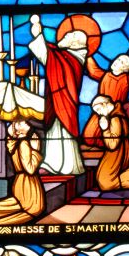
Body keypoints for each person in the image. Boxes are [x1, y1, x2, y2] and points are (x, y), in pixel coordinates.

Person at [29, 14, 89, 174]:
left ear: (75, 43)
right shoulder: (64, 56)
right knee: (55, 131)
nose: (63, 36)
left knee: (63, 132)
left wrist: (38, 35)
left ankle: (67, 166)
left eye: (68, 35)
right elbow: (49, 55)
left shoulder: (71, 59)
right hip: (57, 99)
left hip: (64, 101)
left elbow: (48, 57)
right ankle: (52, 163)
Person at [0, 119, 45, 226]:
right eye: (22, 122)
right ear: (19, 130)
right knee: (31, 210)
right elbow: (30, 169)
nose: (26, 123)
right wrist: (35, 150)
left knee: (14, 207)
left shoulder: (16, 142)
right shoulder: (24, 143)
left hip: (21, 182)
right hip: (28, 184)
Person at [84, 54, 129, 147]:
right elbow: (93, 70)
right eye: (117, 59)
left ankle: (107, 147)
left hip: (115, 111)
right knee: (89, 136)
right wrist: (89, 55)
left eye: (121, 62)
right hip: (101, 109)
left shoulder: (126, 79)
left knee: (115, 135)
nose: (116, 62)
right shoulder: (105, 75)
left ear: (125, 68)